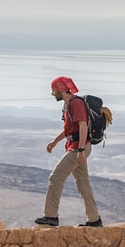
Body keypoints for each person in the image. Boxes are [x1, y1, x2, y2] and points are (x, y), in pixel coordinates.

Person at [34, 75, 103, 227]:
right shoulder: (67, 105)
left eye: (54, 90)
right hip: (75, 147)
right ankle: (94, 219)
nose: (53, 94)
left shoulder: (76, 104)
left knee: (55, 177)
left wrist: (81, 149)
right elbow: (68, 130)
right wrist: (55, 142)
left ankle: (51, 216)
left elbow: (83, 126)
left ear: (61, 89)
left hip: (78, 148)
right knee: (83, 183)